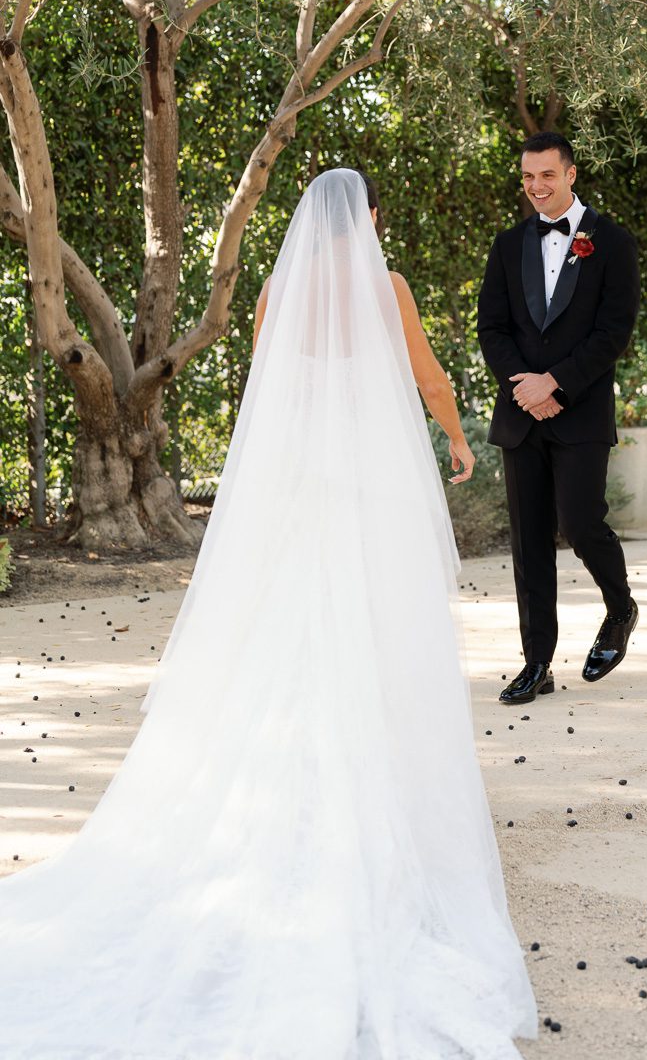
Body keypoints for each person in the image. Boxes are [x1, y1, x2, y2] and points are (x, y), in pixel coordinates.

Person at [0, 168, 538, 1059]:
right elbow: (428, 376)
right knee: (371, 648)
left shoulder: (283, 287)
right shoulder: (386, 286)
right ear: (369, 220)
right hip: (365, 501)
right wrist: (449, 435)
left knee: (282, 651)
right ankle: (366, 831)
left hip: (298, 501)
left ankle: (269, 827)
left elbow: (268, 389)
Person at [477, 131, 641, 707]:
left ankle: (620, 609)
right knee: (528, 543)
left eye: (547, 175)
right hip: (522, 413)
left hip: (581, 411)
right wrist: (526, 387)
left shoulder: (612, 242)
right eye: (527, 177)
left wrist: (559, 384)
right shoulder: (506, 245)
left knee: (580, 524)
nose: (536, 187)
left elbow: (612, 332)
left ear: (571, 174)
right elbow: (492, 331)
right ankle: (536, 663)